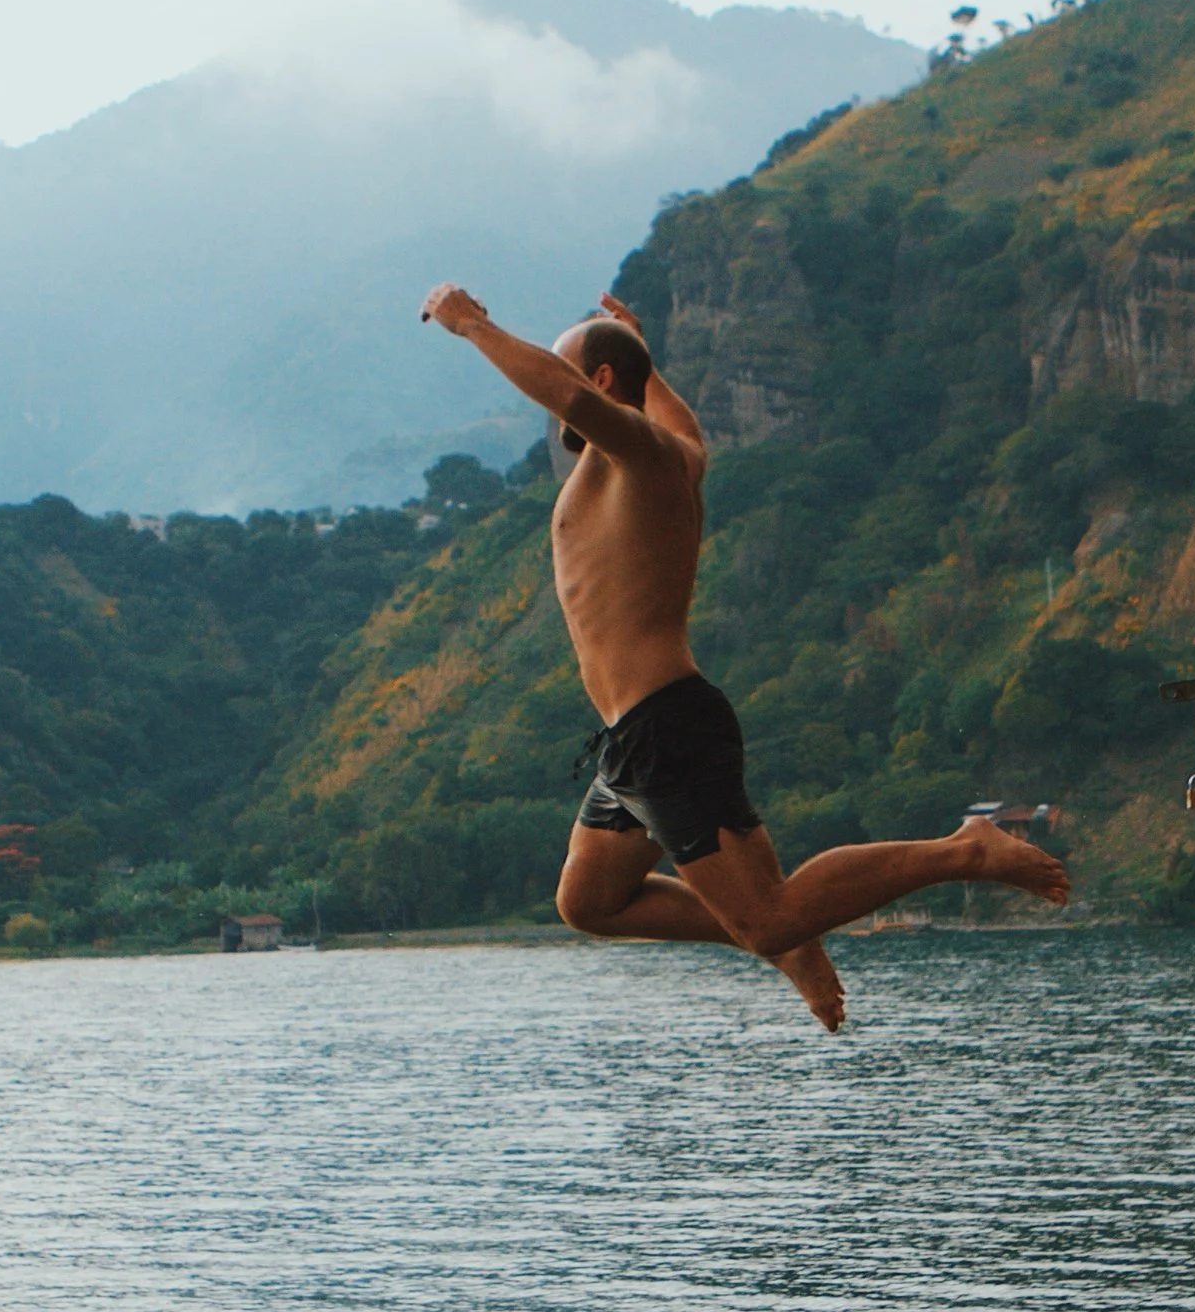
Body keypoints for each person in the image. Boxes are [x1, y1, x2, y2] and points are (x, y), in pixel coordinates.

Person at [419, 280, 1068, 1026]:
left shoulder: (643, 455)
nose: (554, 387)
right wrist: (648, 363)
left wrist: (473, 326)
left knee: (770, 911)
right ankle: (785, 939)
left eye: (564, 369)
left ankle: (963, 851)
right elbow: (681, 424)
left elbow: (580, 404)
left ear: (599, 384)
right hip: (634, 737)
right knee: (590, 902)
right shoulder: (670, 454)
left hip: (668, 726)